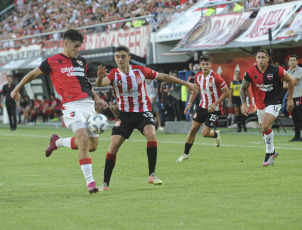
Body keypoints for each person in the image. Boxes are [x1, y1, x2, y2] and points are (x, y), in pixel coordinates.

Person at [10, 29, 108, 194]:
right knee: (83, 140)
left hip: (89, 105)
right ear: (66, 43)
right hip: (71, 106)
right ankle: (91, 183)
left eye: (80, 47)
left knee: (92, 146)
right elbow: (33, 74)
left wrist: (97, 98)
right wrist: (17, 89)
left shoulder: (81, 61)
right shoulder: (52, 61)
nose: (78, 50)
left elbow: (85, 83)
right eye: (76, 46)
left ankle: (57, 142)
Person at [95, 45, 199, 190]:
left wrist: (186, 83)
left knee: (151, 133)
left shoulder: (140, 71)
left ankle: (152, 174)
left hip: (142, 111)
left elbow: (164, 77)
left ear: (129, 58)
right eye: (117, 57)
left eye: (123, 56)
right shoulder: (113, 74)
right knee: (113, 146)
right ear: (115, 59)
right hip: (124, 115)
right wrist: (100, 77)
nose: (120, 60)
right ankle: (105, 183)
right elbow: (101, 83)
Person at [240, 49, 294, 167]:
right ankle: (273, 151)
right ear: (256, 59)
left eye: (263, 57)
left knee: (265, 125)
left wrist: (289, 98)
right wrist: (244, 104)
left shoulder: (276, 70)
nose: (260, 60)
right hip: (260, 104)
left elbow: (290, 80)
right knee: (264, 130)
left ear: (268, 58)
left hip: (275, 101)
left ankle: (269, 153)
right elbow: (243, 88)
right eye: (258, 57)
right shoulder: (250, 72)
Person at [176, 55, 230, 162]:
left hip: (215, 108)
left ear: (210, 65)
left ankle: (215, 134)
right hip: (202, 106)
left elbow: (227, 92)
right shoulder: (198, 76)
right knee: (192, 130)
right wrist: (190, 104)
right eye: (203, 64)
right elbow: (195, 91)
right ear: (200, 65)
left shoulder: (216, 77)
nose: (205, 66)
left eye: (207, 64)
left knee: (205, 133)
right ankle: (185, 154)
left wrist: (215, 103)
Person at [287, 54, 302, 142]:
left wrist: (288, 82)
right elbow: (284, 85)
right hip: (291, 97)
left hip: (299, 96)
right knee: (294, 117)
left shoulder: (300, 70)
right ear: (289, 62)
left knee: (300, 116)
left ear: (297, 61)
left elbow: (295, 82)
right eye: (291, 60)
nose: (292, 62)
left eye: (294, 60)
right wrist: (290, 82)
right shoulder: (287, 72)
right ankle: (297, 136)